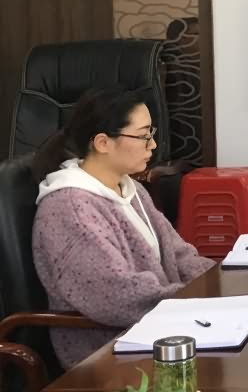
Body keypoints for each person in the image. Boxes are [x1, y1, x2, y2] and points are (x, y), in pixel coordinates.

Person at [31, 88, 214, 368]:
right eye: (143, 136)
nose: (153, 145)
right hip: (107, 351)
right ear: (103, 142)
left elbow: (179, 255)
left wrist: (220, 283)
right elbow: (116, 296)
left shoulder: (131, 189)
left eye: (151, 134)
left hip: (157, 326)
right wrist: (194, 301)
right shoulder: (70, 208)